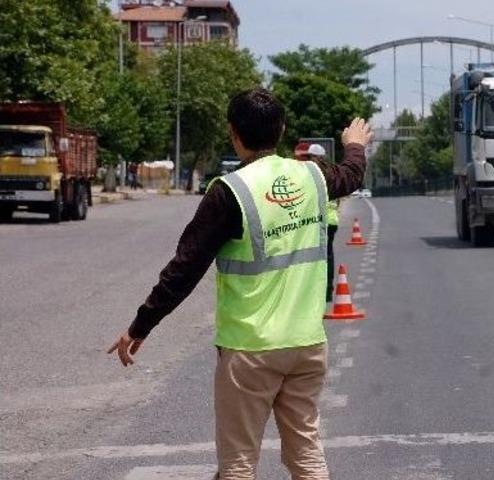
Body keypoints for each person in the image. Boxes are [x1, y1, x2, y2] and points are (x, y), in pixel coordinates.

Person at [107, 87, 373, 480]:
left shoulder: (229, 192)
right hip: (306, 344)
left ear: (233, 133)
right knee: (306, 455)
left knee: (237, 464)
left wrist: (141, 325)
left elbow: (185, 268)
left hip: (249, 350)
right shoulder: (313, 175)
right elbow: (351, 174)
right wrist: (354, 144)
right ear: (281, 129)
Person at [306, 144, 340, 302]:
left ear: (313, 157)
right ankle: (328, 290)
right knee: (328, 255)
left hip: (318, 220)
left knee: (314, 257)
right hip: (332, 220)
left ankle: (315, 291)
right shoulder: (333, 172)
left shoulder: (312, 173)